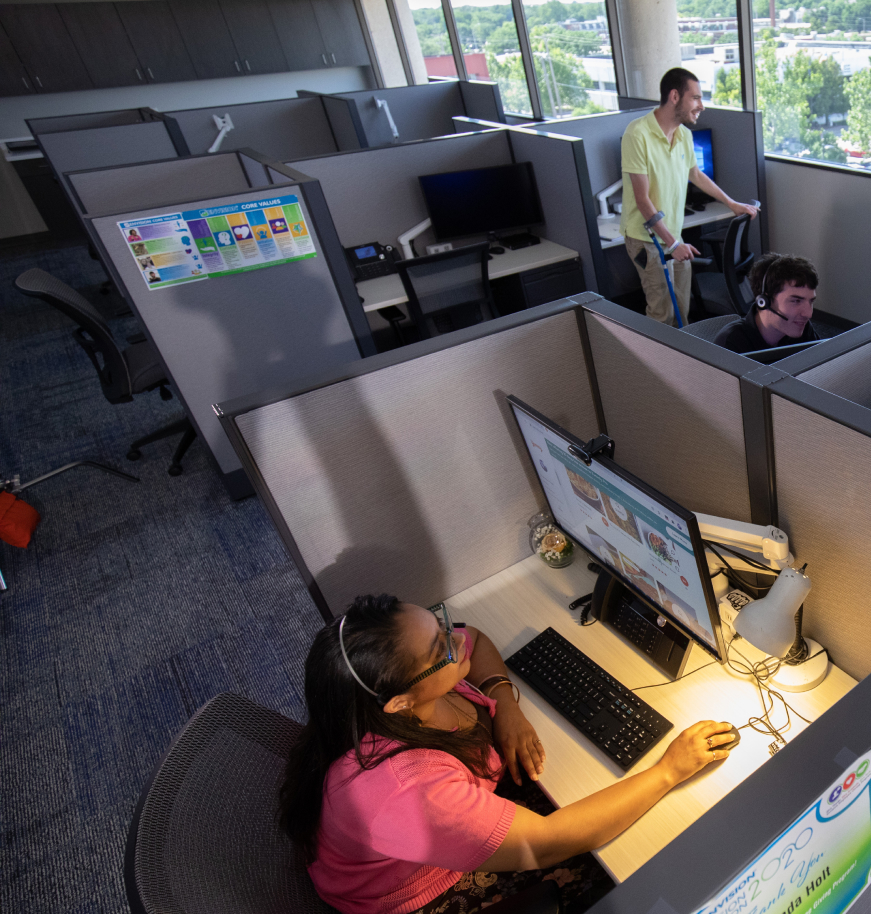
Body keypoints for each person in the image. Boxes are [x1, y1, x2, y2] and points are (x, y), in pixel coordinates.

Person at [279, 594, 738, 914]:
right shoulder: (406, 793)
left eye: (440, 624)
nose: (455, 640)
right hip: (416, 891)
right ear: (399, 701)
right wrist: (668, 771)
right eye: (442, 648)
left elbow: (473, 635)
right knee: (642, 864)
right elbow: (549, 842)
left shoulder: (383, 700)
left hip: (439, 822)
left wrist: (504, 705)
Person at [620, 67, 759, 327]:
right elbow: (642, 200)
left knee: (681, 309)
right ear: (675, 96)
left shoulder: (683, 134)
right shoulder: (636, 134)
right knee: (662, 313)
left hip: (673, 235)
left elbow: (696, 174)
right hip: (646, 239)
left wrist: (731, 204)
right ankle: (655, 365)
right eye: (695, 98)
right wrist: (674, 245)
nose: (701, 106)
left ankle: (681, 363)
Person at [713, 253, 819, 354]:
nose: (808, 314)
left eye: (811, 301)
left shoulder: (801, 327)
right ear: (764, 302)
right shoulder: (730, 345)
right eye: (796, 301)